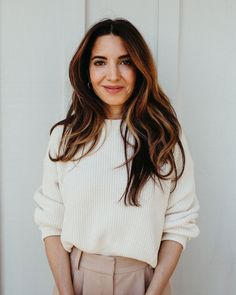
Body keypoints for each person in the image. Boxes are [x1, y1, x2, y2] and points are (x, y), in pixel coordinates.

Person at [33, 18, 200, 295]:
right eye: (100, 62)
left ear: (140, 69)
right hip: (77, 281)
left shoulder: (165, 136)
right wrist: (66, 291)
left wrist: (153, 292)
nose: (113, 75)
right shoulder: (66, 137)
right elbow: (50, 221)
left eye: (125, 61)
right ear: (86, 69)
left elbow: (179, 221)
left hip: (146, 282)